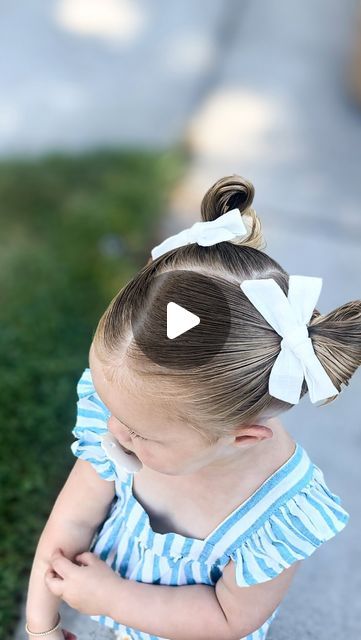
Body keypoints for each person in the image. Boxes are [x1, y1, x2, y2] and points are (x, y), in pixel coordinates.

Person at [25, 175, 358, 640]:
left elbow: (227, 618)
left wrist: (110, 598)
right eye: (109, 407)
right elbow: (72, 520)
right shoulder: (127, 422)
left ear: (243, 436)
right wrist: (42, 626)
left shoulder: (277, 514)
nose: (114, 432)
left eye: (141, 434)